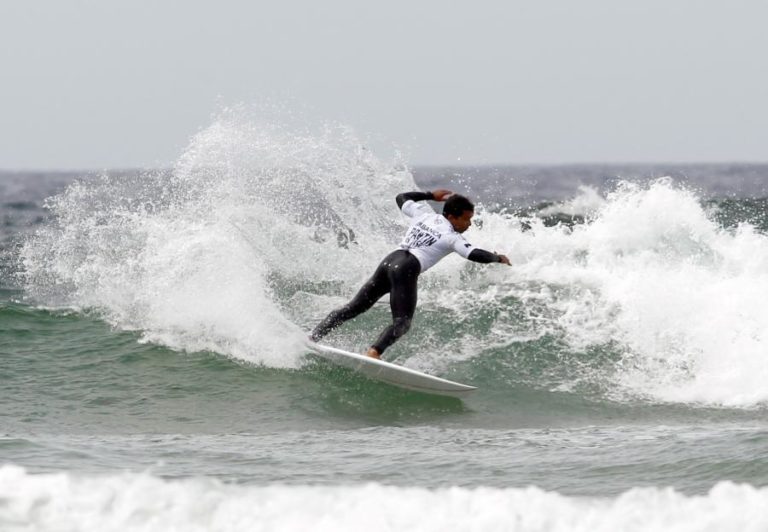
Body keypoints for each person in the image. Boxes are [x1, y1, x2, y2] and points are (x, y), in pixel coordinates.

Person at [309, 189, 511, 359]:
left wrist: (430, 194)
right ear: (452, 217)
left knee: (353, 308)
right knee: (402, 323)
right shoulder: (452, 237)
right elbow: (473, 254)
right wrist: (498, 258)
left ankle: (313, 337)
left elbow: (402, 198)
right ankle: (374, 353)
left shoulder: (424, 215)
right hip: (406, 268)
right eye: (467, 219)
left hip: (389, 261)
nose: (469, 224)